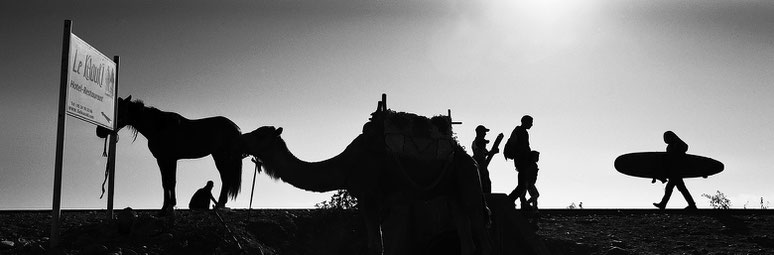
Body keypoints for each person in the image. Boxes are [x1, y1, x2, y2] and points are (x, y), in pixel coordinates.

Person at [652, 131, 697, 210]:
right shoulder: (669, 147)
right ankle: (692, 205)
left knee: (674, 188)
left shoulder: (678, 144)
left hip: (677, 171)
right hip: (673, 171)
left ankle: (691, 205)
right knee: (677, 188)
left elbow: (680, 154)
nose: (665, 139)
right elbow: (668, 160)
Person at [506, 115, 539, 210]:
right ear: (525, 122)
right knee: (522, 186)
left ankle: (522, 205)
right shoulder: (521, 132)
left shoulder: (520, 131)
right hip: (522, 162)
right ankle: (509, 201)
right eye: (530, 122)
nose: (532, 125)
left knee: (523, 186)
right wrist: (529, 158)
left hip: (521, 162)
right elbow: (522, 149)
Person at [472, 125, 498, 194]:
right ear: (480, 132)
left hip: (480, 164)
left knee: (485, 182)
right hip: (480, 165)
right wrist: (493, 151)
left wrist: (492, 152)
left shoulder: (475, 142)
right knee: (485, 183)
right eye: (484, 132)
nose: (485, 134)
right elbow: (483, 153)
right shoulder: (479, 141)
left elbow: (485, 153)